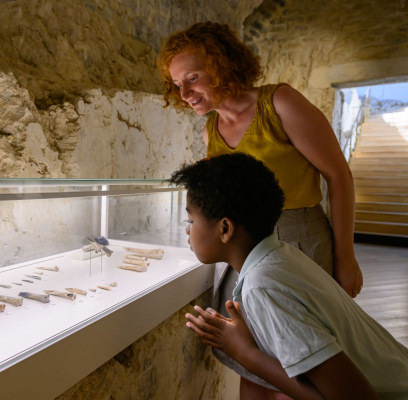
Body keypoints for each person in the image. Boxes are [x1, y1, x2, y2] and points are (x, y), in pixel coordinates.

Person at [158, 22, 363, 397]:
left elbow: (338, 175)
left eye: (192, 78)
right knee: (250, 359)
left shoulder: (279, 103)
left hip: (300, 238)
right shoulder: (212, 131)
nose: (184, 92)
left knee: (298, 359)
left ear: (222, 65)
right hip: (244, 249)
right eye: (176, 84)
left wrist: (345, 255)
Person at [170, 153, 408, 400]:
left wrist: (244, 352)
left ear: (225, 229)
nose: (187, 229)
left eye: (191, 220)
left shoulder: (263, 286)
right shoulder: (281, 257)